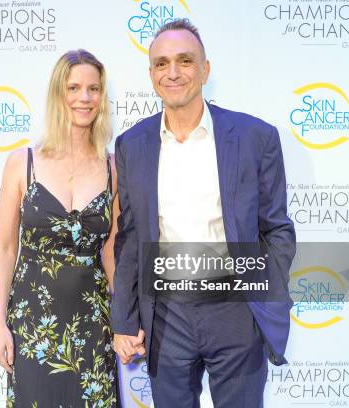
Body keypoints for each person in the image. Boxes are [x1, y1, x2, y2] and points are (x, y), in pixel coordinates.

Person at [111, 19, 296, 407]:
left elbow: (277, 229)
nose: (173, 72)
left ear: (205, 69)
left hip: (235, 310)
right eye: (161, 64)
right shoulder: (132, 144)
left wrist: (260, 298)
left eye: (185, 60)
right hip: (166, 316)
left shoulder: (254, 137)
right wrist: (125, 321)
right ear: (151, 74)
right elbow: (129, 238)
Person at [0, 49, 120, 407]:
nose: (84, 98)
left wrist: (123, 316)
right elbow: (3, 247)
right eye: (74, 87)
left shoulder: (113, 168)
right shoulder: (22, 163)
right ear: (58, 94)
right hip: (33, 324)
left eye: (94, 89)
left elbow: (111, 250)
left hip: (93, 322)